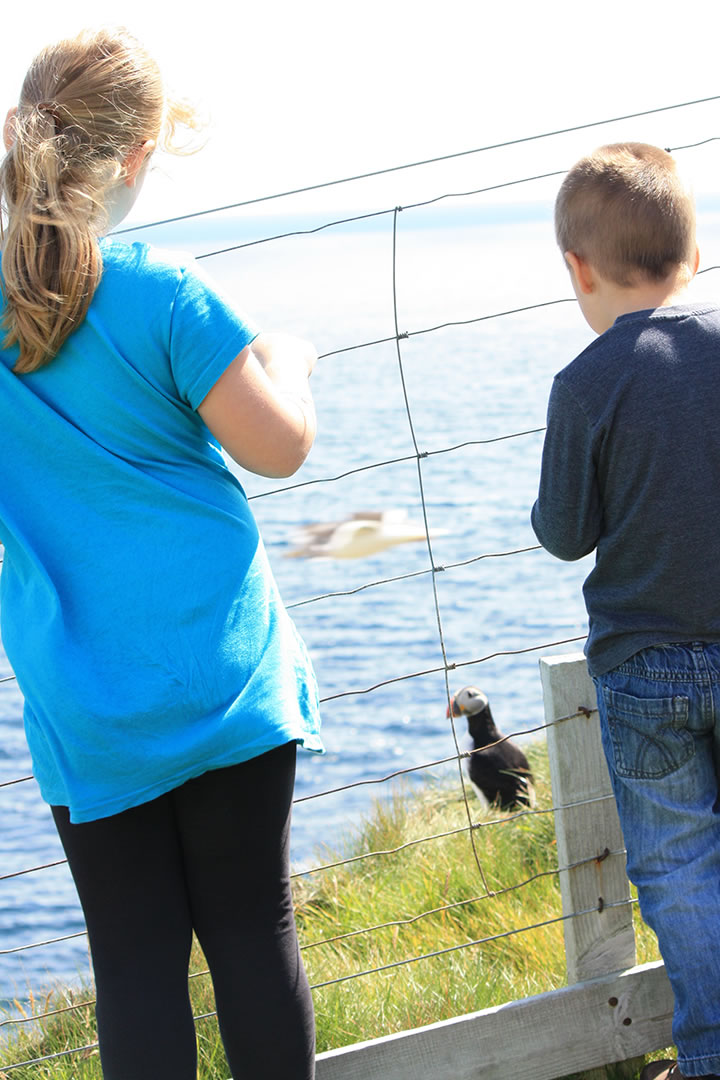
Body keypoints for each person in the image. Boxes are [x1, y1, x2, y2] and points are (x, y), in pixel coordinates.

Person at [0, 27, 323, 1080]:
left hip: (87, 699)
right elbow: (280, 446)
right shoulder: (168, 295)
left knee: (132, 965)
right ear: (139, 158)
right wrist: (286, 357)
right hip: (220, 678)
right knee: (249, 931)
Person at [531, 143, 720, 1080]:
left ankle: (711, 1053)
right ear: (696, 249)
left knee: (680, 870)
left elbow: (564, 534)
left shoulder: (587, 382)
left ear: (579, 267)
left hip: (644, 667)